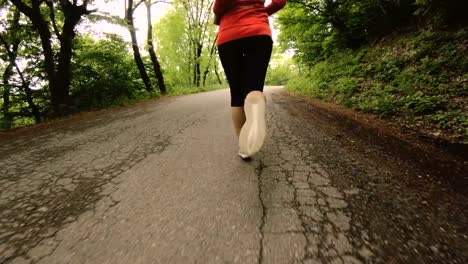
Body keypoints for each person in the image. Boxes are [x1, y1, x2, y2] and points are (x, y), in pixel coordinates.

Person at [213, 0, 286, 160]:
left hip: (229, 36)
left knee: (237, 93)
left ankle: (244, 147)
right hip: (258, 33)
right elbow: (280, 2)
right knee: (254, 88)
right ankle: (255, 117)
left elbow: (219, 4)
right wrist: (261, 12)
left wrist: (217, 15)